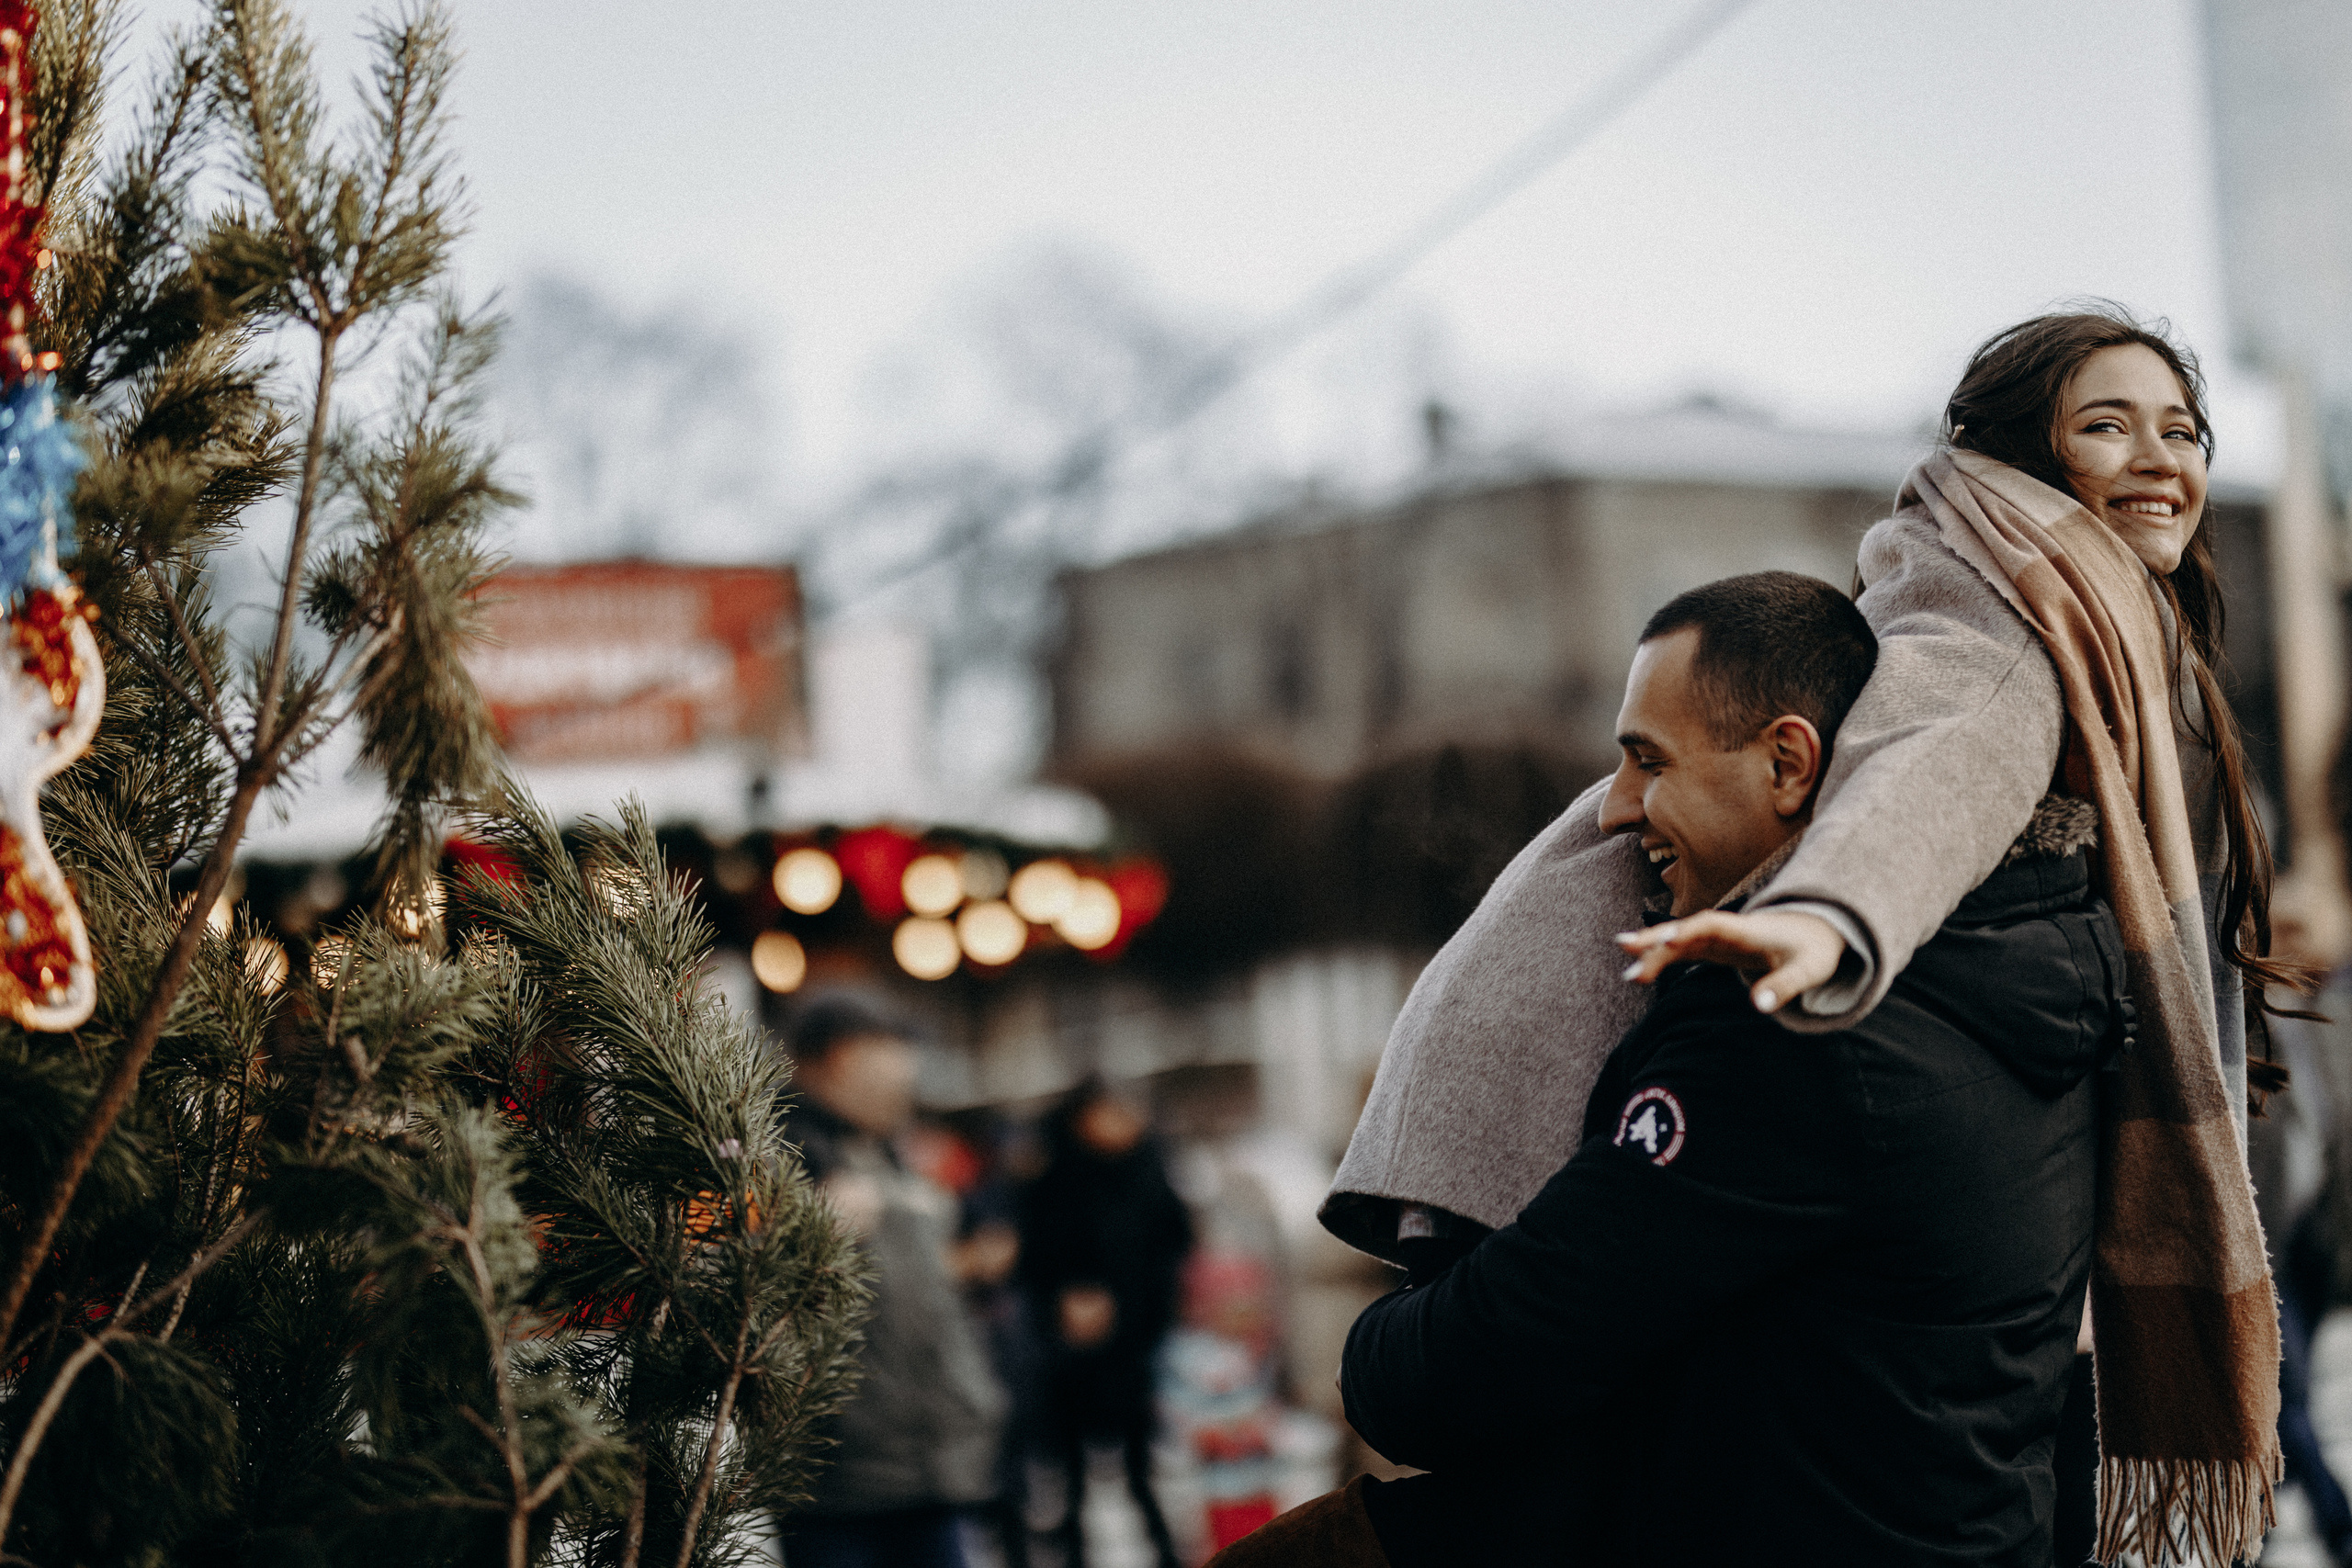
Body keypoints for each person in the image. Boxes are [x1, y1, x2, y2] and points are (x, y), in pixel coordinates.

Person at [1321, 307, 2290, 1566]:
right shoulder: (1989, 619)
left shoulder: (2062, 625)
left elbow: (1468, 1367)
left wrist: (1822, 931)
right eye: (2108, 423)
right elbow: (1933, 771)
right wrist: (1834, 920)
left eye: (2184, 429)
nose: (2163, 457)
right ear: (2003, 458)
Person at [1217, 570, 2122, 1565]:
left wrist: (1374, 1342)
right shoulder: (2015, 964)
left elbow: (1473, 1368)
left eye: (1649, 762)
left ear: (1788, 763)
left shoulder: (1791, 1024)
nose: (1613, 811)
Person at [775, 996, 1008, 1568]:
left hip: (927, 1466)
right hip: (838, 1481)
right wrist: (815, 1237)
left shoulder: (888, 1155)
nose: (903, 1086)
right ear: (832, 1061)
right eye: (885, 1066)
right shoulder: (772, 1157)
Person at [1018, 1078, 1194, 1568]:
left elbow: (1174, 1245)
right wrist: (1064, 1301)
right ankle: (1073, 1556)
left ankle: (1166, 1554)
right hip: (1068, 1352)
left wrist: (1137, 1305)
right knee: (1069, 1472)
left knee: (1142, 1468)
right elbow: (1033, 1259)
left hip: (1135, 1345)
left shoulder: (1149, 1171)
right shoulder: (1052, 1178)